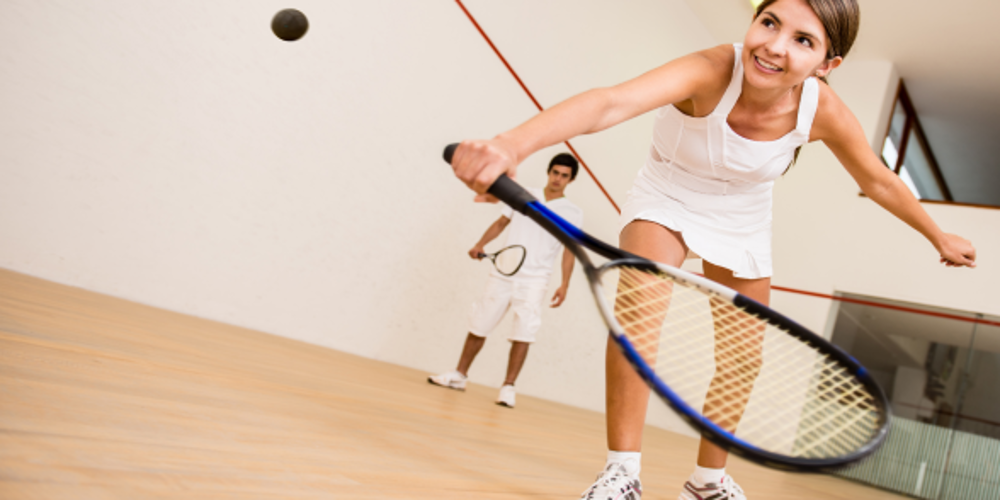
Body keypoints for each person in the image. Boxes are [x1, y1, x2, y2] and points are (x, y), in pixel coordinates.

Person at [447, 0, 977, 498]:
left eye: (802, 40)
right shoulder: (709, 69)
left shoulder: (822, 110)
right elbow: (611, 102)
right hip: (668, 194)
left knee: (745, 357)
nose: (774, 46)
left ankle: (706, 482)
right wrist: (510, 145)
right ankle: (622, 474)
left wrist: (937, 234)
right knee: (640, 327)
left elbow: (879, 179)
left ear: (826, 63)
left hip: (742, 215)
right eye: (768, 22)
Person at [428, 153, 584, 409]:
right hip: (503, 273)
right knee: (479, 323)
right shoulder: (524, 194)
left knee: (524, 332)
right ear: (548, 172)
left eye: (564, 175)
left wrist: (564, 283)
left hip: (535, 280)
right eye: (555, 172)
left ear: (571, 179)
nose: (558, 179)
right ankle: (459, 375)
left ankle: (508, 387)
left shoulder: (573, 213)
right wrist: (480, 244)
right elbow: (501, 223)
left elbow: (569, 251)